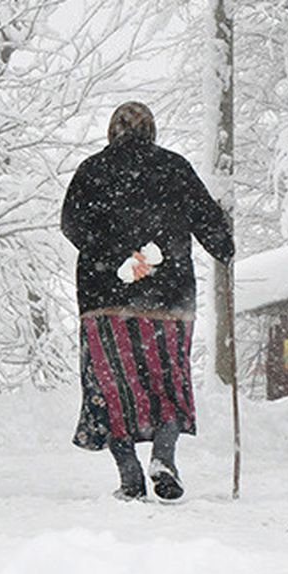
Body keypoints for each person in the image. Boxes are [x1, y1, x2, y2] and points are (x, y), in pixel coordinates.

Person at [60, 102, 235, 501]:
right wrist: (224, 244)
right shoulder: (174, 168)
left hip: (105, 301)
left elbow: (71, 224)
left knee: (112, 388)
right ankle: (164, 457)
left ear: (112, 132)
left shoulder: (92, 170)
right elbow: (206, 220)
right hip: (167, 300)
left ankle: (130, 478)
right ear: (151, 131)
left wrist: (115, 256)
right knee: (168, 383)